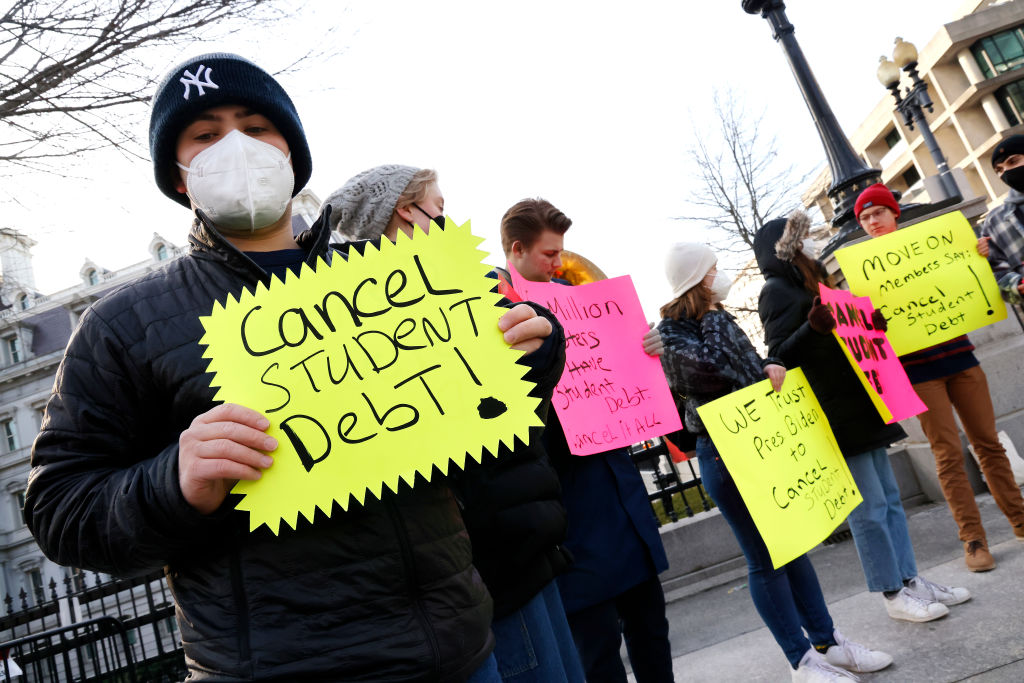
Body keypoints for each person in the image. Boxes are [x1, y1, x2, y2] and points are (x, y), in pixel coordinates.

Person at [23, 54, 555, 682]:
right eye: (205, 134)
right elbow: (61, 507)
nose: (235, 148)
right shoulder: (121, 325)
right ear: (179, 173)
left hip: (458, 651)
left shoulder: (396, 275)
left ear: (292, 152)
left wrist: (538, 350)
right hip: (279, 670)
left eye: (255, 126)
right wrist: (175, 480)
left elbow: (493, 435)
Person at [323, 165, 585, 683]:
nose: (449, 222)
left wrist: (543, 339)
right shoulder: (372, 313)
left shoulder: (468, 284)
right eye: (439, 211)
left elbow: (524, 404)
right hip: (488, 552)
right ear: (406, 212)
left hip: (524, 536)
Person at [658, 242, 892, 682]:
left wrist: (768, 363)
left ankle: (827, 641)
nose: (718, 276)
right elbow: (712, 372)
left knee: (791, 544)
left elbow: (744, 366)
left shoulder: (719, 316)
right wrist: (709, 315)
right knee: (763, 558)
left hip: (760, 442)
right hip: (725, 453)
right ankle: (800, 660)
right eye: (710, 270)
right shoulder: (672, 332)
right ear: (696, 277)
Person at [756, 210, 969, 623]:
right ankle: (892, 593)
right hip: (835, 410)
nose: (806, 245)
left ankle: (909, 579)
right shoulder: (776, 290)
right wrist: (814, 329)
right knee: (868, 508)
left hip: (860, 400)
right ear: (780, 248)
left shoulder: (812, 279)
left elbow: (839, 331)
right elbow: (778, 355)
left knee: (889, 500)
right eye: (795, 240)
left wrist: (868, 327)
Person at [500, 198, 673, 683]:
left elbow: (619, 376)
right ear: (517, 250)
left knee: (653, 633)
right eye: (549, 254)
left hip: (621, 495)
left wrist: (644, 350)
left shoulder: (579, 298)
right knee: (598, 655)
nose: (560, 263)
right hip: (573, 511)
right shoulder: (498, 317)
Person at [854, 182, 1024, 572]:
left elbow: (970, 280)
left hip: (960, 359)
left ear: (893, 212)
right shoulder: (861, 269)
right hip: (918, 372)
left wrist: (977, 255)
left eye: (877, 212)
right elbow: (864, 334)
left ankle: (1019, 519)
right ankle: (973, 539)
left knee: (989, 444)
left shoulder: (932, 244)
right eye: (864, 218)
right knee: (946, 455)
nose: (871, 222)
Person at [980, 134, 1024, 303]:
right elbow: (997, 275)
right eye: (999, 169)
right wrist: (1017, 286)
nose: (1006, 172)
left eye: (1013, 162)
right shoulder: (995, 221)